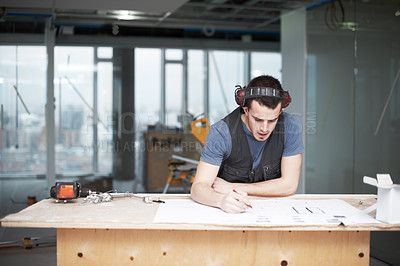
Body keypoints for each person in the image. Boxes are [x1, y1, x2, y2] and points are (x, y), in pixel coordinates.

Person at [190, 75, 304, 213]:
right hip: (228, 212)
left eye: (272, 120)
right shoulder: (221, 132)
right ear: (246, 110)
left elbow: (289, 185)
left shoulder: (290, 126)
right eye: (258, 119)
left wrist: (233, 187)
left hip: (273, 212)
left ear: (280, 112)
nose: (264, 128)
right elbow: (198, 187)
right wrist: (220, 200)